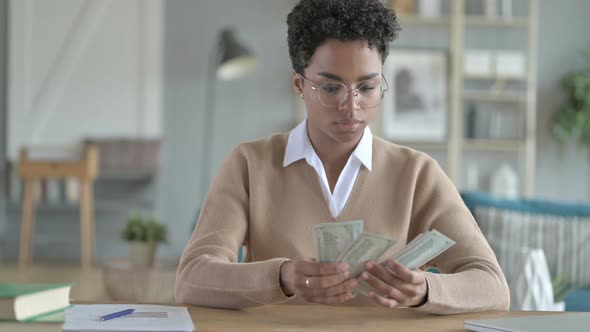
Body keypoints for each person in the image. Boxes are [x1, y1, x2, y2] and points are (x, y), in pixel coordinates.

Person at [176, 0, 509, 314]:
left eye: (367, 88)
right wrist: (283, 277)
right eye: (331, 88)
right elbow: (192, 279)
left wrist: (425, 290)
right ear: (299, 84)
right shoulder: (250, 164)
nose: (351, 107)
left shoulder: (417, 173)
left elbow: (493, 287)